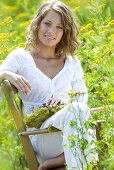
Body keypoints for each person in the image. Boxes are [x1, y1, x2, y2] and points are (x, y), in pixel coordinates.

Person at [0, 1, 97, 169]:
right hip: (41, 136)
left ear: (65, 32)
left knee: (78, 109)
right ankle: (63, 158)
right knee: (79, 113)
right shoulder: (20, 58)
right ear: (38, 23)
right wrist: (4, 74)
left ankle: (63, 158)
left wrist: (64, 100)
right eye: (47, 23)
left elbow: (82, 98)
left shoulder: (72, 63)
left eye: (59, 27)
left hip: (70, 129)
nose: (51, 31)